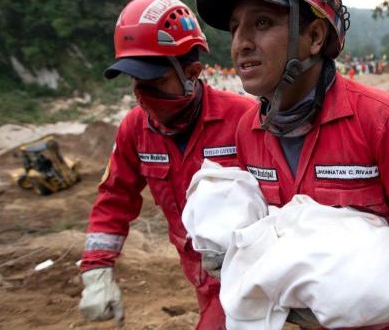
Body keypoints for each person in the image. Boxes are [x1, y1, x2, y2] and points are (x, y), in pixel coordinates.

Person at [196, 0, 389, 328]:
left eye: (263, 23)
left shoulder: (385, 120)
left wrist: (361, 292)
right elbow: (256, 219)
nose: (241, 42)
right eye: (235, 26)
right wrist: (230, 248)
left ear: (313, 36)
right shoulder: (248, 130)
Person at [77, 0, 257, 328]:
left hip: (247, 271)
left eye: (154, 83)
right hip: (198, 273)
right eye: (135, 83)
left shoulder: (243, 119)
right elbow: (114, 200)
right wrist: (97, 270)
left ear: (191, 74)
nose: (142, 94)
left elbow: (282, 195)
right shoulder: (135, 129)